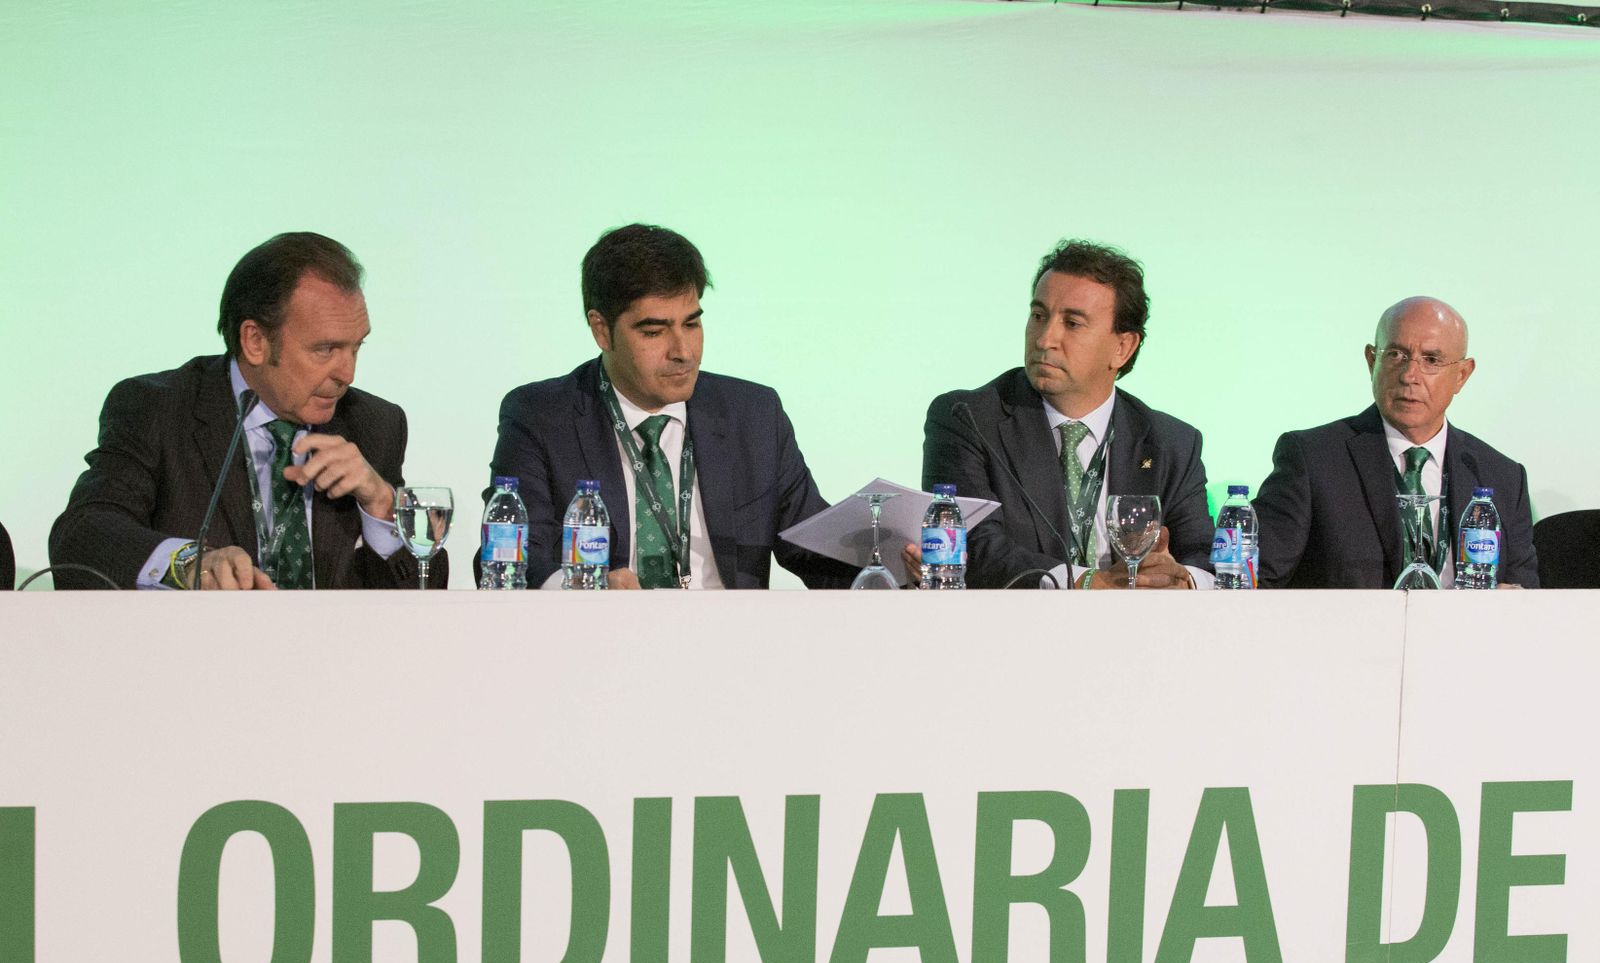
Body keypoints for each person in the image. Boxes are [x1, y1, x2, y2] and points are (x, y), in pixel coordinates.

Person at [49, 233, 438, 591]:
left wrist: (383, 506)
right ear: (254, 341)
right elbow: (83, 534)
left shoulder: (374, 423)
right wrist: (186, 563)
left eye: (356, 347)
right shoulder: (159, 407)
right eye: (325, 350)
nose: (347, 374)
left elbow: (428, 601)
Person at [486, 223, 854, 590]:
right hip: (601, 637)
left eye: (691, 324)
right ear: (601, 330)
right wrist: (583, 589)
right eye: (654, 332)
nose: (683, 352)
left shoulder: (754, 414)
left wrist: (899, 566)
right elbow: (512, 558)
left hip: (734, 639)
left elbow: (817, 551)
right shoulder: (541, 417)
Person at [918, 239, 1213, 590]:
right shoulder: (968, 419)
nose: (1044, 339)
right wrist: (1090, 582)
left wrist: (1180, 580)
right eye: (1039, 316)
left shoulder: (1171, 442)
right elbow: (973, 545)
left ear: (1122, 347)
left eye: (1072, 323)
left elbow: (1205, 555)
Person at [1254, 296, 1537, 588]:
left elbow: (1527, 595)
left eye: (1431, 360)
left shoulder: (1502, 476)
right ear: (1371, 360)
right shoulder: (1314, 458)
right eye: (1396, 355)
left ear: (1462, 375)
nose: (1410, 375)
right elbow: (1256, 581)